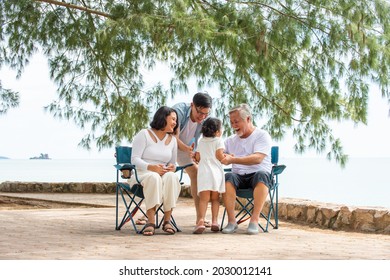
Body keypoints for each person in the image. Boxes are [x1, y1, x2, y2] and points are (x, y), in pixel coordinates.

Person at [220, 104, 272, 235]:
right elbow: (219, 153)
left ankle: (254, 220)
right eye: (231, 122)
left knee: (262, 175)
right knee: (228, 177)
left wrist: (232, 159)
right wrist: (200, 155)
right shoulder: (230, 140)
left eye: (236, 121)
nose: (233, 125)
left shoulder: (262, 135)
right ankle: (232, 221)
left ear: (248, 119)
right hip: (239, 177)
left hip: (258, 176)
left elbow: (257, 158)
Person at [130, 106, 181, 236]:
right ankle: (151, 221)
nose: (175, 122)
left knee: (172, 177)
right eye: (173, 119)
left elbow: (172, 163)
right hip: (142, 173)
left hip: (163, 174)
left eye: (176, 120)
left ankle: (167, 221)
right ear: (163, 117)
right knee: (154, 177)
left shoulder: (173, 140)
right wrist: (151, 167)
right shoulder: (144, 134)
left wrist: (172, 167)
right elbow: (134, 159)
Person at [173, 92, 213, 226]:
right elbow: (173, 138)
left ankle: (200, 217)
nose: (202, 117)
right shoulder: (178, 111)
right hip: (169, 146)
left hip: (186, 149)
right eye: (200, 113)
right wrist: (188, 150)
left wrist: (197, 154)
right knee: (163, 176)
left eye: (205, 114)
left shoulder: (205, 118)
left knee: (196, 173)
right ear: (192, 105)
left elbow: (206, 141)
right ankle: (148, 215)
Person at [193, 117, 225, 234]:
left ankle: (201, 221)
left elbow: (198, 157)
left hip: (203, 173)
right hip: (215, 173)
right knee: (215, 199)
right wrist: (227, 156)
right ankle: (215, 221)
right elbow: (220, 156)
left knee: (204, 199)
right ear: (217, 131)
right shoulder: (218, 141)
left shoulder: (201, 141)